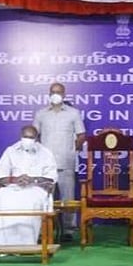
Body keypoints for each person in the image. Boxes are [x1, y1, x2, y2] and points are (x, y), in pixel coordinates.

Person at [0, 125, 58, 246]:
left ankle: (26, 244)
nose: (28, 140)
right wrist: (15, 179)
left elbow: (51, 178)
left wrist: (33, 179)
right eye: (25, 137)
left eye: (31, 137)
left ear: (37, 138)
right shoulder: (10, 151)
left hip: (36, 188)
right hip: (13, 187)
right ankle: (0, 244)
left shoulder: (46, 153)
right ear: (20, 136)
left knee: (29, 201)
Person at [33, 82, 86, 241]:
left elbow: (81, 135)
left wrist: (72, 151)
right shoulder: (41, 114)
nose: (55, 94)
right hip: (45, 164)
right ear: (49, 94)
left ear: (64, 94)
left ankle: (68, 230)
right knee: (43, 197)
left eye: (59, 92)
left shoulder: (73, 113)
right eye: (53, 92)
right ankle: (44, 229)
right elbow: (34, 135)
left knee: (67, 198)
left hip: (66, 161)